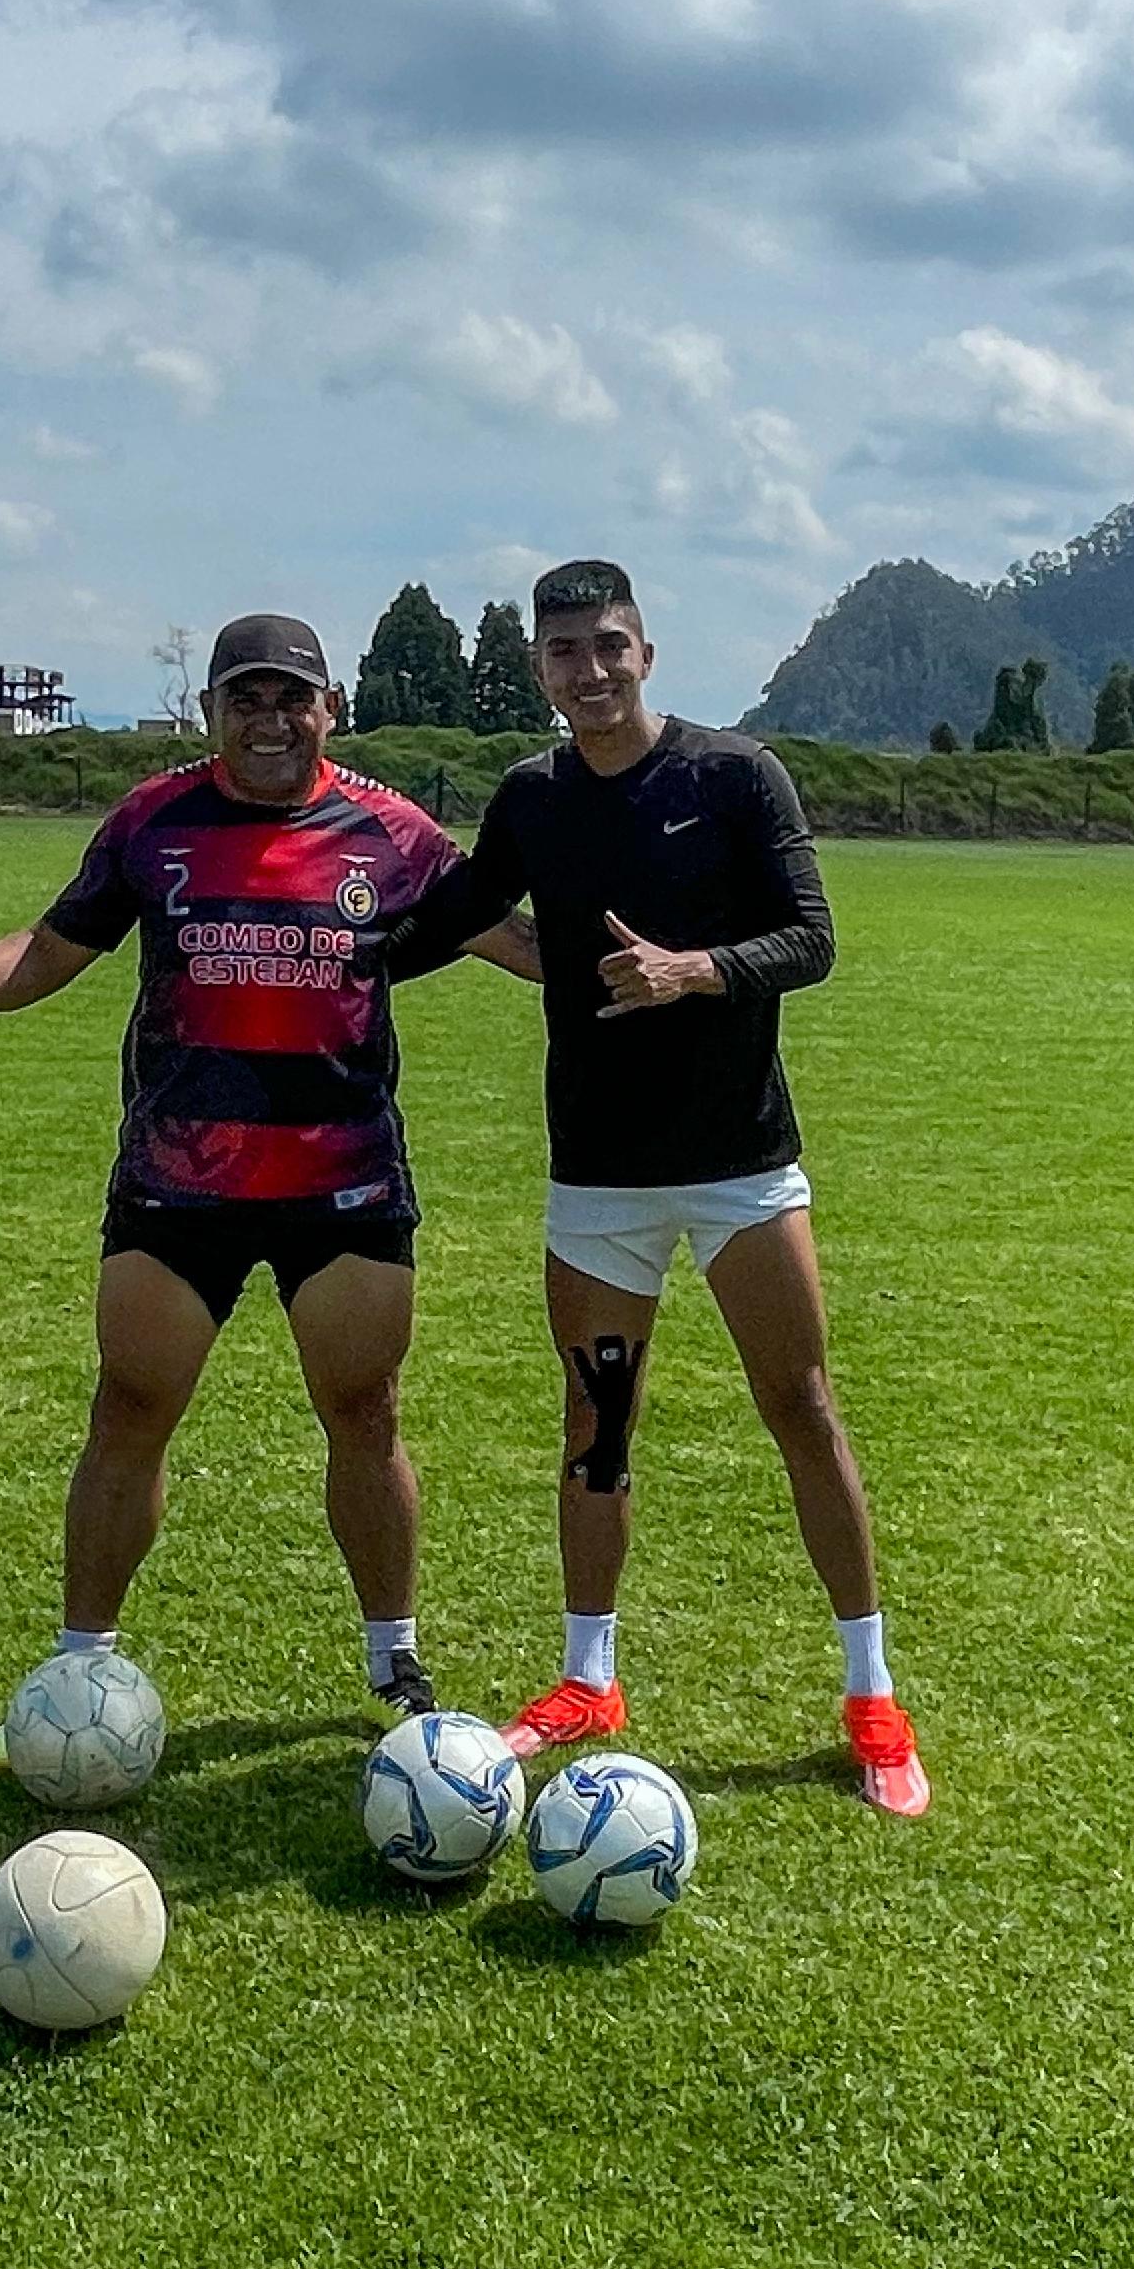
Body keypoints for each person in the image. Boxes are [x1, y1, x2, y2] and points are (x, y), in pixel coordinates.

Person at [0, 610, 532, 1752]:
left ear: (331, 709)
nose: (270, 720)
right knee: (130, 1411)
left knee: (365, 1414)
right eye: (244, 699)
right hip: (179, 1184)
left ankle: (392, 1654)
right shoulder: (152, 821)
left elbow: (505, 939)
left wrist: (671, 983)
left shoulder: (392, 833)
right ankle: (79, 1667)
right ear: (210, 712)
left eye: (291, 698)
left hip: (342, 1182)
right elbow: (48, 951)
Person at [391, 557, 928, 1817]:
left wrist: (697, 971)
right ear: (539, 666)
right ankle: (590, 1678)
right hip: (601, 1185)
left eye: (610, 646)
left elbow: (814, 937)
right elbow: (459, 910)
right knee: (598, 1430)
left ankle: (871, 1695)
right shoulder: (533, 797)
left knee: (799, 1407)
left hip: (741, 1170)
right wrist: (342, 960)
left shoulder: (733, 774)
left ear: (647, 650)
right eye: (566, 651)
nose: (591, 671)